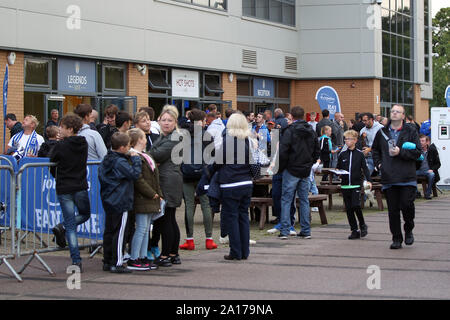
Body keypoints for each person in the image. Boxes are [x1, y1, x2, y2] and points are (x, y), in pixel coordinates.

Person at [372, 104, 421, 249]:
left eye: (397, 112)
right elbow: (375, 150)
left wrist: (401, 152)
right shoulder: (382, 132)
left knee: (407, 205)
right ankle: (396, 238)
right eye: (392, 111)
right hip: (389, 176)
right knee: (393, 210)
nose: (394, 113)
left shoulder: (411, 131)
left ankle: (409, 228)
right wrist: (379, 164)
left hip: (407, 176)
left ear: (403, 115)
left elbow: (418, 152)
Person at [49, 113, 90, 272]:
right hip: (79, 185)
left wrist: (57, 175)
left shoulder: (61, 145)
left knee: (71, 224)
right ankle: (63, 227)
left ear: (70, 129)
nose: (60, 129)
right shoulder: (83, 143)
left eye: (62, 127)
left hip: (65, 186)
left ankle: (76, 260)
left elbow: (52, 162)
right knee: (84, 214)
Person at [212, 113, 255, 260]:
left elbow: (218, 161)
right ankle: (244, 251)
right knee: (243, 216)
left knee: (232, 217)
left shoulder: (228, 140)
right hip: (246, 182)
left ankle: (235, 251)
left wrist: (209, 173)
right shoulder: (248, 140)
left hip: (231, 183)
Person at [99, 132, 142, 273]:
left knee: (110, 231)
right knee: (120, 232)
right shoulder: (120, 162)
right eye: (128, 146)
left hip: (109, 199)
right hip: (120, 200)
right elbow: (134, 174)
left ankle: (107, 260)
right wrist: (136, 160)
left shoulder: (107, 159)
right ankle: (117, 262)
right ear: (123, 147)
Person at [278, 106, 320, 239]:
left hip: (291, 168)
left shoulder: (289, 131)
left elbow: (283, 150)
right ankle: (306, 229)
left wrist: (281, 167)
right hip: (305, 169)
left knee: (286, 199)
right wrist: (310, 163)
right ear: (304, 116)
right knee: (304, 200)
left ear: (292, 116)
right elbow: (316, 150)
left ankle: (285, 230)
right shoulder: (311, 131)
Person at [179, 109, 217, 251]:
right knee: (206, 205)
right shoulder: (207, 135)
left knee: (189, 205)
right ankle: (209, 239)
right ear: (201, 121)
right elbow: (213, 154)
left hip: (187, 174)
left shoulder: (183, 134)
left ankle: (189, 240)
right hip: (204, 174)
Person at [150, 105, 183, 267]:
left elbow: (155, 154)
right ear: (158, 121)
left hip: (168, 181)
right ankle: (173, 253)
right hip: (169, 179)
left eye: (169, 120)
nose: (166, 123)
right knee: (169, 218)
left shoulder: (175, 137)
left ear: (175, 121)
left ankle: (166, 255)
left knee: (166, 219)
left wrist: (150, 151)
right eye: (163, 120)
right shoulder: (166, 136)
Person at [127, 128, 161, 271]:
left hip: (150, 196)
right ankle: (134, 257)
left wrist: (158, 193)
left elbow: (153, 176)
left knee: (146, 229)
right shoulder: (134, 156)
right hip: (142, 197)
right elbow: (138, 179)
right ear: (139, 140)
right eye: (143, 137)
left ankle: (142, 256)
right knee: (141, 228)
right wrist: (151, 193)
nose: (146, 139)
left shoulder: (144, 155)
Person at [337, 130, 372, 239]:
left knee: (355, 205)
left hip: (356, 184)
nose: (347, 141)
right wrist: (338, 173)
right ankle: (354, 230)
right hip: (345, 185)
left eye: (350, 139)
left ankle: (362, 224)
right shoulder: (342, 154)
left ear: (355, 140)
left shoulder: (359, 154)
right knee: (349, 208)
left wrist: (369, 180)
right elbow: (338, 168)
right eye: (346, 139)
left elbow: (365, 169)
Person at [416, 134, 441, 199]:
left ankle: (428, 193)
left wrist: (432, 169)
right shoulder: (417, 150)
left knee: (432, 174)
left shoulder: (432, 150)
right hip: (419, 171)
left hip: (428, 171)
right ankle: (416, 192)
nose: (421, 142)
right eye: (419, 141)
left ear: (427, 142)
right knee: (410, 174)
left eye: (422, 141)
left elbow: (438, 164)